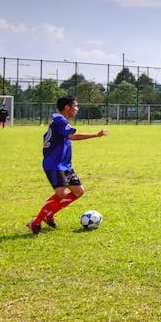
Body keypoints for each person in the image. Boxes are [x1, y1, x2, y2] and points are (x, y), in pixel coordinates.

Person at [27, 96, 107, 234]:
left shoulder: (58, 121)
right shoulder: (60, 120)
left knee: (78, 191)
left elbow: (45, 136)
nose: (77, 109)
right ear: (67, 107)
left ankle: (49, 214)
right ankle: (36, 221)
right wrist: (96, 134)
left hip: (64, 165)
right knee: (62, 193)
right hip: (54, 165)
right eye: (75, 106)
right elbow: (73, 136)